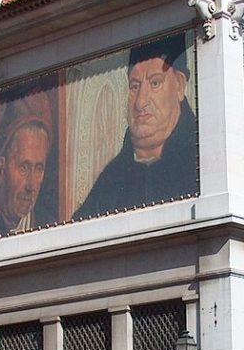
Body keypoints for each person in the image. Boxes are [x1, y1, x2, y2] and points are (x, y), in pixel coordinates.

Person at [74, 33, 198, 219]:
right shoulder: (112, 178)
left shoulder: (202, 163)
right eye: (134, 87)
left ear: (180, 85)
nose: (140, 102)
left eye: (155, 83)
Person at [0, 90, 54, 237]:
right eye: (24, 168)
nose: (31, 186)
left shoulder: (50, 227)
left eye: (38, 169)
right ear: (1, 169)